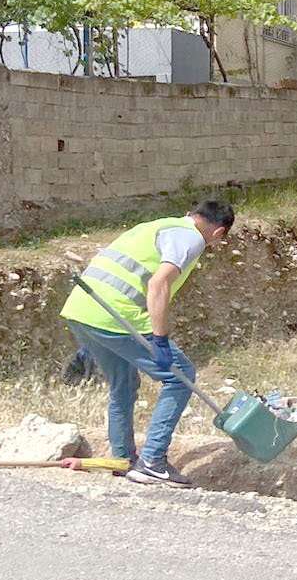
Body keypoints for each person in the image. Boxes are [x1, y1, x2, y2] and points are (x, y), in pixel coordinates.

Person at [58, 201, 235, 487]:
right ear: (219, 232)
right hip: (116, 314)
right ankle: (153, 462)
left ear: (191, 213)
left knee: (123, 385)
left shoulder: (160, 225)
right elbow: (158, 284)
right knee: (181, 377)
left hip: (83, 310)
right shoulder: (191, 238)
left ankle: (123, 460)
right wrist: (161, 340)